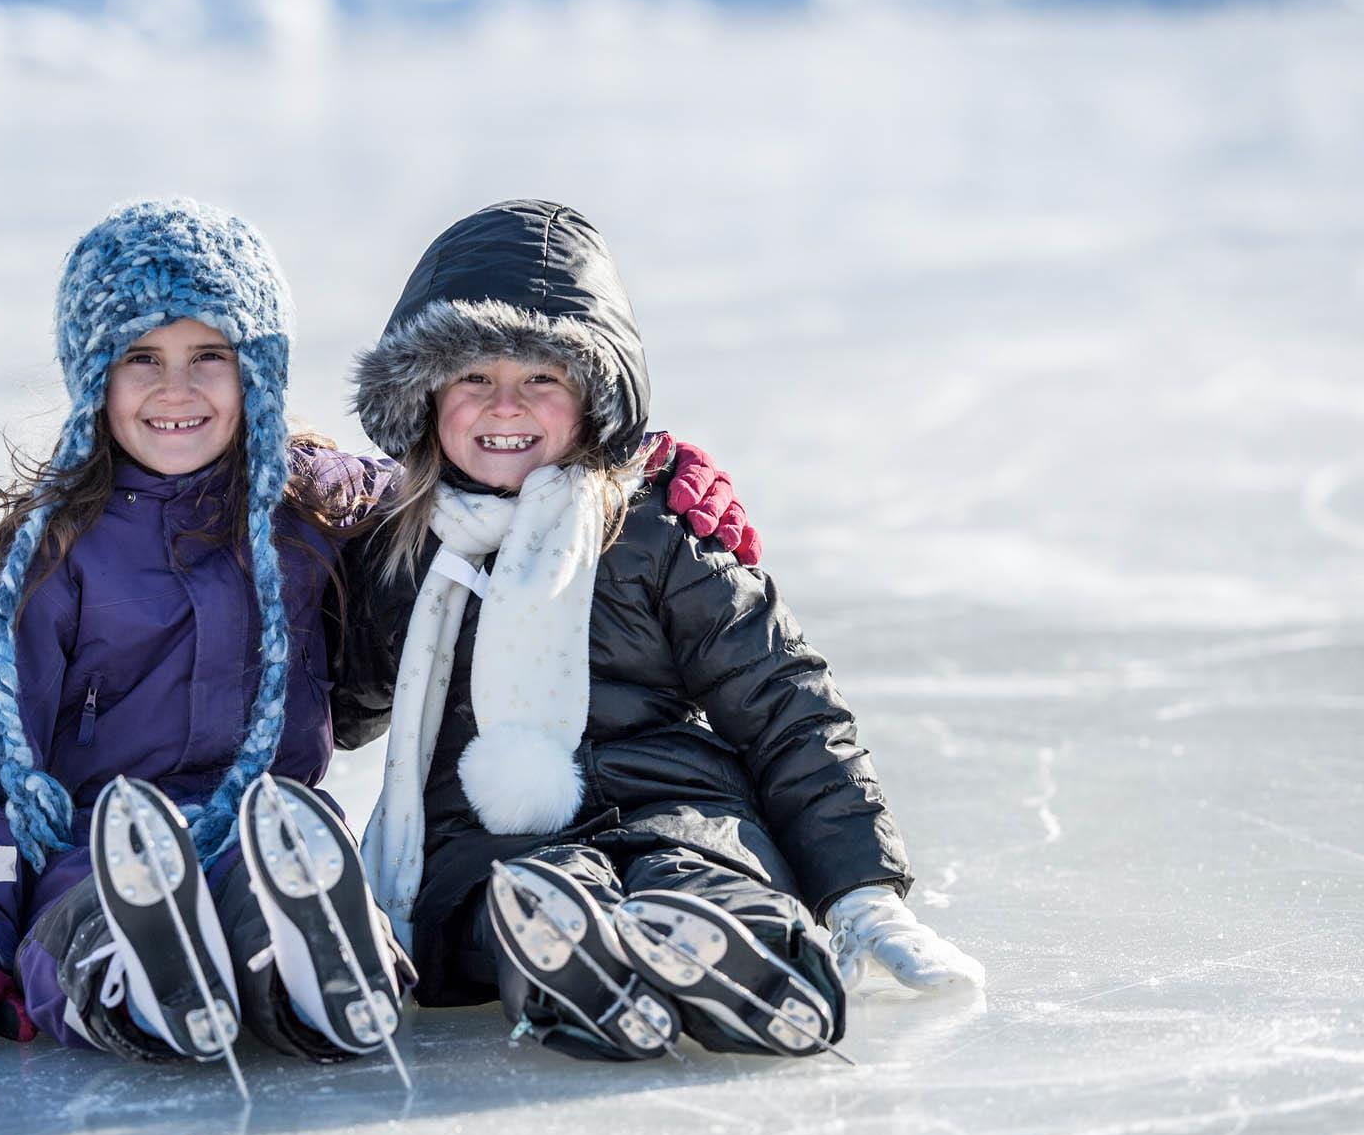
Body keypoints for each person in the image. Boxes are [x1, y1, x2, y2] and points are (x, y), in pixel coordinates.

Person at [0, 198, 752, 1070]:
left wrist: (633, 466)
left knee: (280, 882)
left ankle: (324, 962)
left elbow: (474, 474)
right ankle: (129, 973)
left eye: (209, 355)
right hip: (101, 854)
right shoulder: (45, 558)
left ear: (258, 366)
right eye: (141, 356)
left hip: (271, 835)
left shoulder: (316, 503)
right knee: (95, 909)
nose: (176, 389)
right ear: (91, 373)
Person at [336, 199, 983, 1064]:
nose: (505, 405)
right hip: (485, 843)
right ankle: (572, 961)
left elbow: (782, 704)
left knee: (695, 871)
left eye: (542, 378)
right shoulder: (399, 549)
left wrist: (860, 889)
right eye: (473, 378)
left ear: (596, 397)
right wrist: (296, 530)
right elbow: (338, 704)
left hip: (674, 808)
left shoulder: (657, 525)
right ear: (422, 397)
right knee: (520, 896)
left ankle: (743, 956)